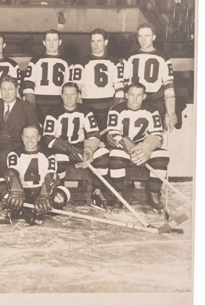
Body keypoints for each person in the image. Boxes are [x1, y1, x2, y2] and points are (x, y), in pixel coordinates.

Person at [41, 82, 110, 209]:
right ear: (61, 95)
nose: (69, 98)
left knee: (103, 154)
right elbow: (47, 138)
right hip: (61, 149)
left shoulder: (86, 111)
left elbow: (93, 134)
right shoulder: (53, 112)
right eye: (66, 94)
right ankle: (59, 193)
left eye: (72, 94)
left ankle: (97, 192)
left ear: (78, 95)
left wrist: (88, 151)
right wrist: (67, 148)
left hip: (80, 147)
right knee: (57, 160)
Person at [105, 82, 169, 211]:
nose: (135, 99)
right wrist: (125, 143)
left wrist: (146, 147)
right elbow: (112, 133)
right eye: (132, 95)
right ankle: (119, 196)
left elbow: (158, 134)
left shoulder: (152, 110)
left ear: (144, 96)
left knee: (162, 155)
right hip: (123, 147)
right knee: (115, 156)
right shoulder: (116, 109)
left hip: (143, 147)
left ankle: (153, 195)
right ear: (126, 95)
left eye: (139, 95)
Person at [0, 75, 39, 203]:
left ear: (17, 89)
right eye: (3, 89)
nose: (6, 93)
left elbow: (35, 128)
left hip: (17, 145)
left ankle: (6, 191)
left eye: (10, 89)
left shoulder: (26, 107)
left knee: (4, 155)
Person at [0, 125, 69, 224]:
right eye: (26, 136)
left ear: (39, 138)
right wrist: (16, 192)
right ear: (22, 137)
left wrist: (44, 195)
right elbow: (11, 172)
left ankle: (27, 209)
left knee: (63, 194)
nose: (29, 140)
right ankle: (26, 208)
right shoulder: (14, 153)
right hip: (21, 193)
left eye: (33, 137)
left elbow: (52, 175)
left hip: (40, 191)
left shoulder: (48, 153)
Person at [123, 23, 177, 131]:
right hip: (135, 102)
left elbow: (169, 87)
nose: (143, 40)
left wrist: (170, 113)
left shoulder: (163, 57)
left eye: (147, 36)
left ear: (153, 37)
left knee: (155, 137)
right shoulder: (129, 57)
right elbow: (124, 84)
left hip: (156, 101)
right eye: (140, 36)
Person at [69, 28, 125, 130]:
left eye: (99, 41)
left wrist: (115, 108)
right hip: (88, 105)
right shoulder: (80, 63)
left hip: (108, 105)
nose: (96, 45)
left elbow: (119, 87)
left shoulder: (114, 62)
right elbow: (76, 88)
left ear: (106, 42)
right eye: (93, 41)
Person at [23, 29, 70, 122]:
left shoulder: (67, 61)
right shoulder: (35, 60)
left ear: (60, 42)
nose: (51, 43)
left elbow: (69, 86)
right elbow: (28, 84)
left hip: (59, 103)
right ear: (44, 42)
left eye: (55, 40)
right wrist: (31, 107)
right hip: (39, 103)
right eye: (48, 40)